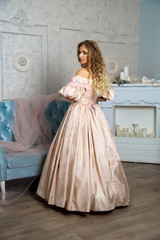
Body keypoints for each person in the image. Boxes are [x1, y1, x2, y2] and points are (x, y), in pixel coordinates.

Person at [36, 40, 130, 212]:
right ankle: (103, 196)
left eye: (84, 52)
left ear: (92, 54)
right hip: (95, 114)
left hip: (79, 113)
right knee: (99, 154)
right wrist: (90, 98)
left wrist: (82, 96)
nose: (80, 55)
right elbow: (103, 97)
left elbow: (70, 97)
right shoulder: (98, 73)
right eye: (79, 52)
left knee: (75, 152)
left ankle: (76, 197)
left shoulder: (82, 72)